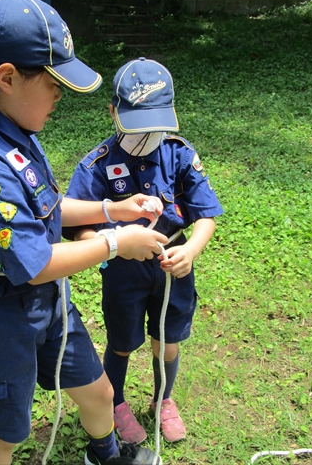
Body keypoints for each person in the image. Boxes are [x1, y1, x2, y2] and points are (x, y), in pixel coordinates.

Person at [0, 0, 169, 465]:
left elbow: (47, 208)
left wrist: (111, 208)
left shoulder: (15, 135)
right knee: (5, 435)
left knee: (98, 393)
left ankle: (105, 455)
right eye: (54, 80)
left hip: (49, 305)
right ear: (7, 77)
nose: (61, 93)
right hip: (0, 319)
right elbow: (35, 263)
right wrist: (117, 242)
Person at [64, 57, 224, 445]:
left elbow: (206, 216)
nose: (148, 135)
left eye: (156, 124)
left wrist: (192, 252)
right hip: (122, 270)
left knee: (168, 342)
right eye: (139, 123)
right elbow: (76, 226)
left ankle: (163, 400)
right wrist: (113, 246)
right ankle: (116, 404)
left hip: (173, 267)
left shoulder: (179, 153)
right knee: (122, 342)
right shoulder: (97, 165)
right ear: (114, 112)